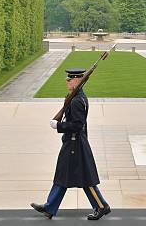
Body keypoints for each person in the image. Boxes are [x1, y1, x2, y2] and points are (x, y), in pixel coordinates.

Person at [31, 68, 111, 221]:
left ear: (78, 81)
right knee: (62, 175)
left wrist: (59, 126)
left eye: (70, 79)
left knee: (86, 178)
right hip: (72, 142)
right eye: (67, 79)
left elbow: (78, 124)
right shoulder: (75, 97)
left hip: (76, 144)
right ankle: (50, 207)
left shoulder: (76, 101)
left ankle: (101, 206)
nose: (67, 81)